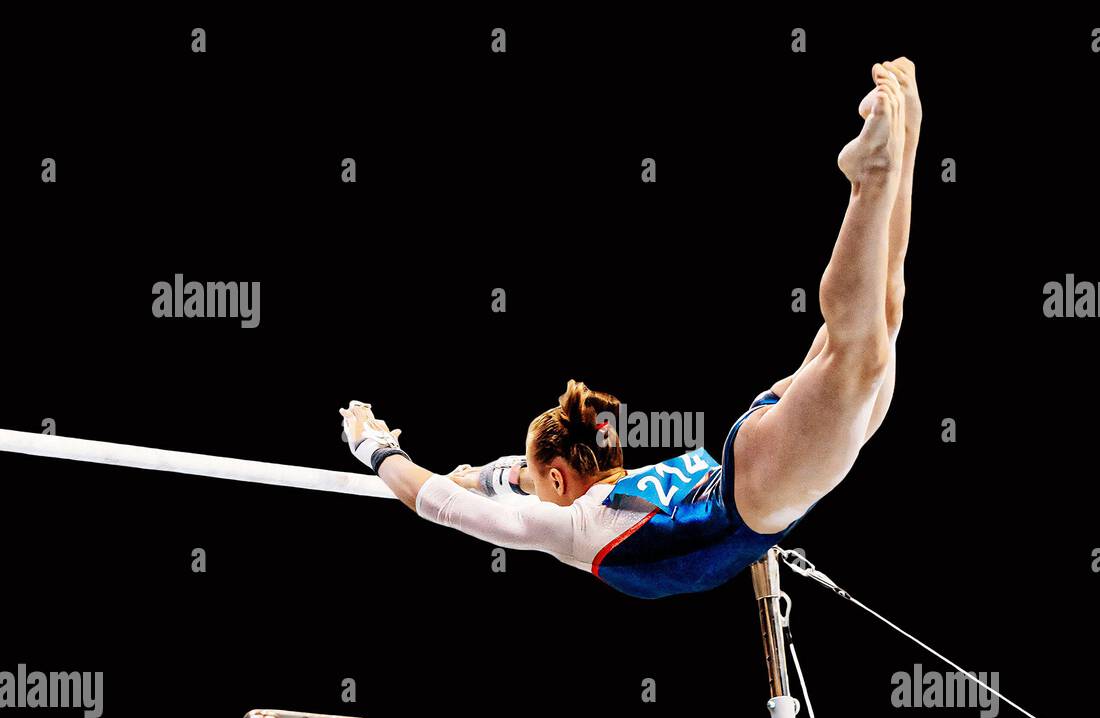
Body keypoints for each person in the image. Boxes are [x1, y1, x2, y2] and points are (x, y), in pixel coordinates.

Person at [340, 59, 921, 599]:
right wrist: (491, 478)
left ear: (562, 480)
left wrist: (375, 446)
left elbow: (436, 503)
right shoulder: (623, 485)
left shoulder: (579, 527)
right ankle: (906, 135)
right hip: (759, 462)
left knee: (860, 350)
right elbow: (519, 476)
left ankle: (870, 178)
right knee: (881, 321)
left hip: (761, 490)